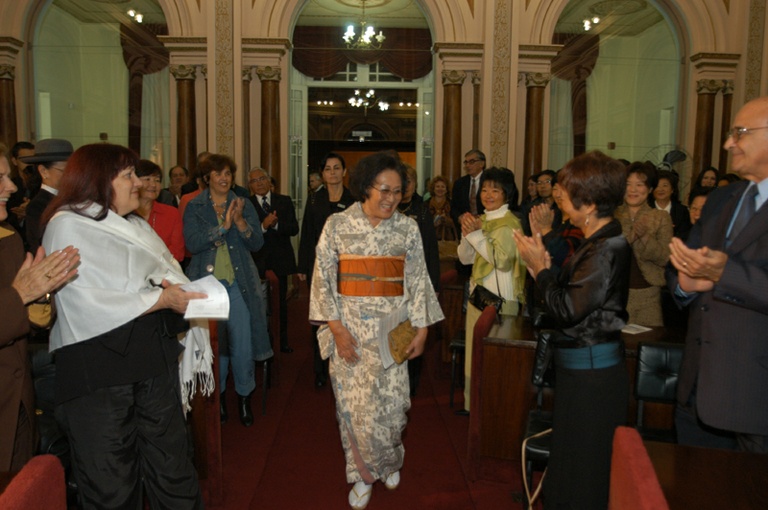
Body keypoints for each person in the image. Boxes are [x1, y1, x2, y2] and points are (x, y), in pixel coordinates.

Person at [41, 143, 209, 509]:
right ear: (99, 180)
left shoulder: (134, 226)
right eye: (128, 175)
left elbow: (164, 275)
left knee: (174, 469)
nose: (140, 183)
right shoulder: (67, 225)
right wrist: (160, 299)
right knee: (112, 483)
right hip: (99, 373)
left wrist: (175, 295)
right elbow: (86, 300)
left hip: (152, 361)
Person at [308, 151, 443, 510]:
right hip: (349, 331)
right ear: (366, 188)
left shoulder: (407, 227)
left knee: (393, 407)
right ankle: (363, 475)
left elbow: (418, 280)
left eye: (398, 192)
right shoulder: (338, 226)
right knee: (354, 410)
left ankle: (390, 460)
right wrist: (335, 328)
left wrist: (422, 330)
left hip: (392, 330)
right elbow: (322, 278)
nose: (391, 199)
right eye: (384, 190)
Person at [514, 150, 631, 509]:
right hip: (582, 372)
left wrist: (540, 270)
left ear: (591, 202)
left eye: (566, 189)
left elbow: (566, 309)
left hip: (593, 377)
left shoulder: (607, 249)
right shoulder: (594, 242)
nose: (558, 195)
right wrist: (545, 267)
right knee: (570, 464)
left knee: (584, 473)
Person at [667, 96, 768, 453]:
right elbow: (688, 266)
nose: (728, 143)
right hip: (697, 388)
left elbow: (721, 271)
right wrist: (684, 284)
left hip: (755, 397)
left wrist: (726, 273)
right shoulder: (724, 198)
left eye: (739, 133)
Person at [0, 145, 78, 472]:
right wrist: (21, 295)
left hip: (16, 397)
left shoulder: (8, 240)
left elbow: (30, 317)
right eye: (0, 178)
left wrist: (42, 295)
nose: (12, 186)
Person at [184, 153, 272, 427]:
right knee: (214, 347)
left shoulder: (242, 203)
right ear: (207, 177)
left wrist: (242, 223)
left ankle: (244, 398)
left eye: (228, 174)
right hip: (207, 286)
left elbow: (257, 243)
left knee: (243, 344)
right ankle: (217, 398)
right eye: (218, 173)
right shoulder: (195, 206)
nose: (223, 178)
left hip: (239, 283)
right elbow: (193, 243)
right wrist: (223, 228)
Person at [456, 167, 526, 414]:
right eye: (484, 189)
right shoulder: (483, 220)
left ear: (507, 194)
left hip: (501, 300)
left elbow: (502, 260)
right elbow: (465, 260)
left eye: (495, 190)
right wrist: (467, 235)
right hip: (479, 295)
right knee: (474, 353)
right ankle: (472, 405)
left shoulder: (510, 224)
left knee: (494, 359)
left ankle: (491, 411)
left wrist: (476, 234)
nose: (488, 194)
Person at [298, 152, 355, 388]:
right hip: (319, 268)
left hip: (348, 268)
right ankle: (321, 370)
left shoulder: (354, 200)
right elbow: (307, 235)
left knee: (346, 318)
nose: (332, 173)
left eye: (336, 168)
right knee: (321, 319)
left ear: (344, 171)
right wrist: (303, 267)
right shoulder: (313, 200)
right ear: (322, 174)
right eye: (328, 169)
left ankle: (346, 364)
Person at [397, 164, 440, 396]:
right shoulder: (389, 210)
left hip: (417, 282)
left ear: (414, 186)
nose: (405, 188)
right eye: (401, 183)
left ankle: (411, 384)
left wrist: (433, 286)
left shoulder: (423, 211)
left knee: (414, 332)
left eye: (409, 183)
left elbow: (431, 252)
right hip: (393, 283)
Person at [614, 161, 673, 326]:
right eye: (628, 184)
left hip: (649, 295)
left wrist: (646, 238)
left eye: (639, 185)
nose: (633, 190)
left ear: (650, 189)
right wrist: (631, 237)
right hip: (615, 295)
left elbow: (666, 258)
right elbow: (605, 253)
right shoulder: (613, 215)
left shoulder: (660, 217)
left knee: (647, 344)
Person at [248, 166, 299, 354]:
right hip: (257, 262)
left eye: (262, 178)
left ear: (269, 181)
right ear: (250, 186)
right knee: (259, 305)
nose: (259, 183)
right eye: (254, 180)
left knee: (280, 304)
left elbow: (294, 228)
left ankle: (281, 341)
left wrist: (276, 226)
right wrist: (263, 226)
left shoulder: (283, 201)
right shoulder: (246, 204)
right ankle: (262, 341)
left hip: (280, 260)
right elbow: (246, 234)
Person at [21, 139, 74, 252]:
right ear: (44, 171)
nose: (70, 176)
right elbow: (40, 246)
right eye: (64, 171)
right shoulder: (37, 206)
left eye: (73, 171)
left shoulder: (75, 198)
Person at [135, 159, 185, 261]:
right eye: (147, 179)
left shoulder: (171, 214)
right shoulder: (124, 213)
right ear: (134, 182)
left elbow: (178, 254)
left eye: (157, 180)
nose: (153, 185)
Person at [651, 170, 691, 239]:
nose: (661, 189)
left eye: (665, 185)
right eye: (657, 186)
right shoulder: (645, 210)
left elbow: (686, 235)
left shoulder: (682, 211)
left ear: (672, 189)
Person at [521, 169, 562, 236]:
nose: (542, 186)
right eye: (539, 183)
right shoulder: (532, 208)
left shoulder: (561, 207)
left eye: (547, 181)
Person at [427, 175, 457, 241]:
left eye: (443, 187)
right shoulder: (426, 204)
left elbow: (456, 223)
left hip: (448, 241)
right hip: (430, 239)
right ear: (433, 188)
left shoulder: (452, 204)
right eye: (437, 186)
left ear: (446, 189)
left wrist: (446, 220)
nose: (440, 189)